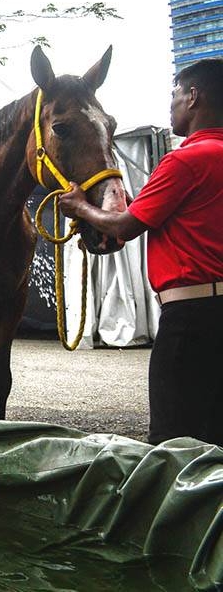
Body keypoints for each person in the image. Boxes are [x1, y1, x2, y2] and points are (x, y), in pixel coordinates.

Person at [58, 58, 223, 447]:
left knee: (172, 441)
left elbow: (126, 226)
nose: (172, 104)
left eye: (176, 95)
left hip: (189, 320)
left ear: (194, 96)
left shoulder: (183, 161)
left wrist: (79, 208)